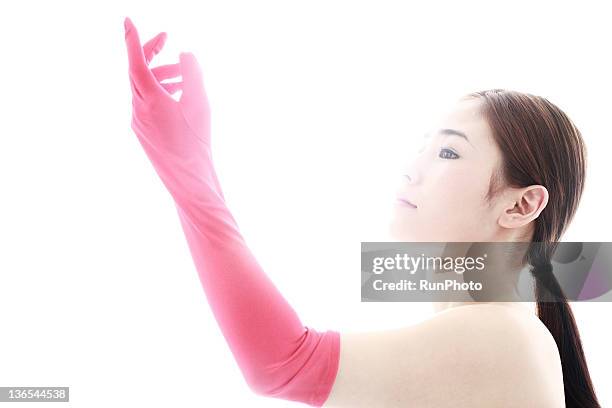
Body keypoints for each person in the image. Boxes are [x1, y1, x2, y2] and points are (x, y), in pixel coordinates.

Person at [123, 17, 601, 407]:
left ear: (522, 205)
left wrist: (189, 170)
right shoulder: (488, 339)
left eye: (449, 154)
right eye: (423, 148)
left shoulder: (506, 335)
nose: (411, 170)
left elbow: (284, 364)